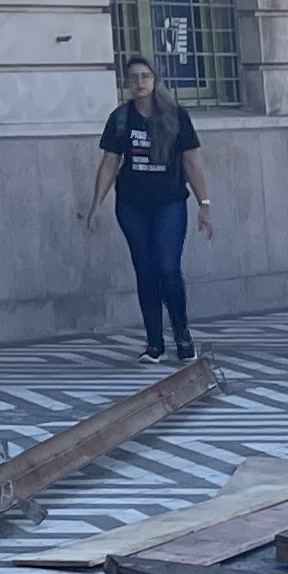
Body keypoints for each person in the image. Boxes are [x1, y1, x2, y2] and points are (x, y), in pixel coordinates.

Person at [81, 57, 213, 363]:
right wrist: (96, 206)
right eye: (133, 78)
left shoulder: (177, 117)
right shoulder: (121, 118)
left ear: (155, 80)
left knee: (167, 267)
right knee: (145, 270)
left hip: (170, 203)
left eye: (145, 76)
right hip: (131, 206)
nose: (140, 82)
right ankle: (154, 343)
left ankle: (182, 334)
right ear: (127, 84)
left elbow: (192, 162)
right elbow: (110, 163)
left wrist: (204, 205)